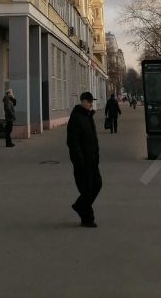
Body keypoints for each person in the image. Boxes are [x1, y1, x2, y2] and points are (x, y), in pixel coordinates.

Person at [66, 91, 102, 229]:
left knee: (97, 184)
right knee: (87, 190)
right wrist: (79, 160)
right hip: (83, 162)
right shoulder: (76, 118)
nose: (91, 103)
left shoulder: (88, 116)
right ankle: (87, 218)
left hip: (93, 160)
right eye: (89, 101)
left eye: (92, 101)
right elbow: (72, 142)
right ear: (82, 101)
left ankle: (79, 205)